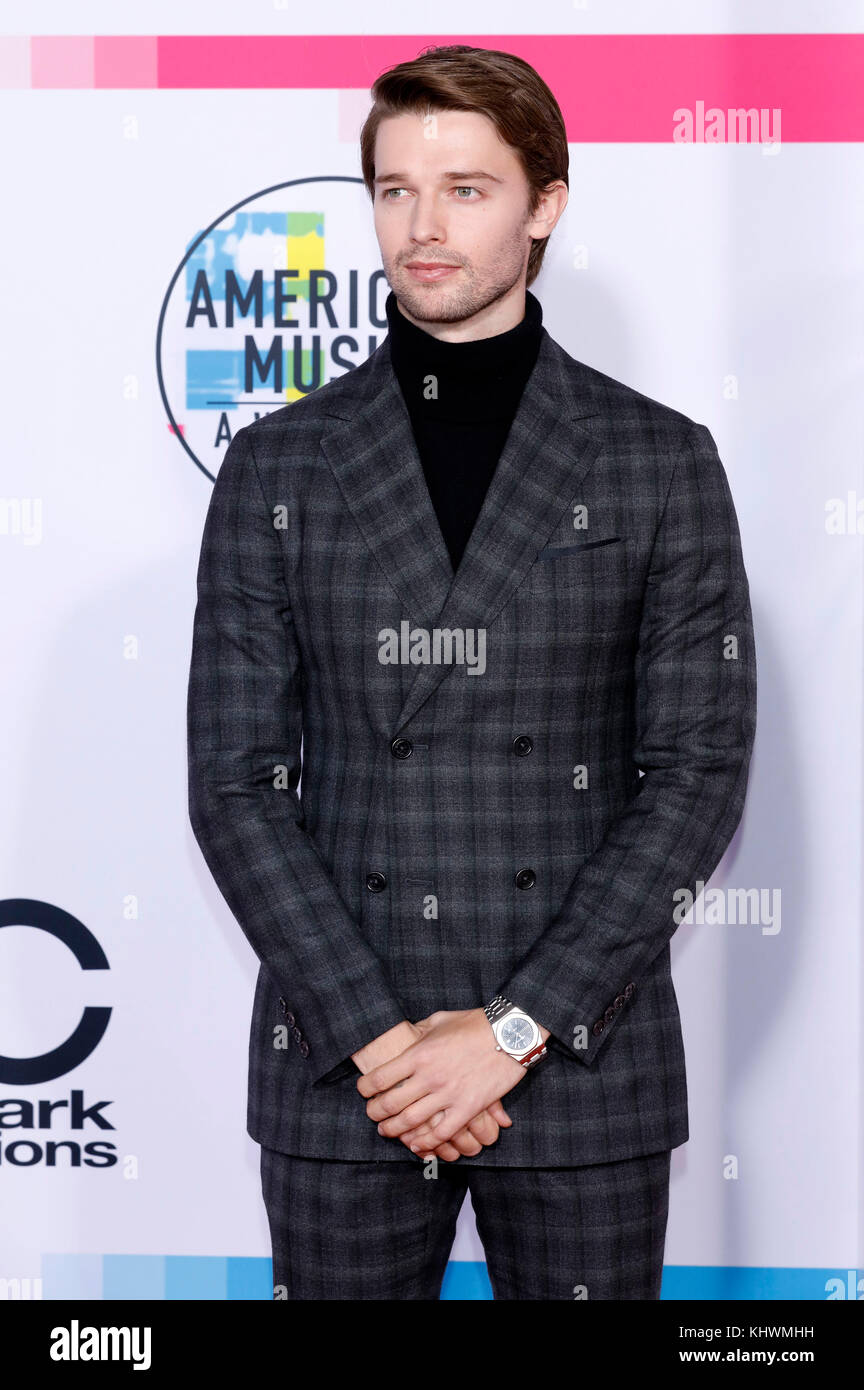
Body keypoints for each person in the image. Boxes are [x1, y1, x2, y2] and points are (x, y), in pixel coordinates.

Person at [187, 44, 756, 1300]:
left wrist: (507, 1034)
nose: (422, 227)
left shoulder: (660, 461)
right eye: (395, 190)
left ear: (546, 202)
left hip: (579, 1067)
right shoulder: (279, 467)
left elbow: (697, 778)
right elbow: (233, 782)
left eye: (466, 189)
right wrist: (387, 1046)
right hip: (347, 1072)